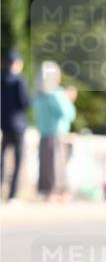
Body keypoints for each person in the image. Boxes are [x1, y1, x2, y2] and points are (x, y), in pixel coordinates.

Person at [33, 61, 77, 201]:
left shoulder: (38, 94)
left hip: (43, 132)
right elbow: (68, 114)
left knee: (45, 164)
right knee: (57, 164)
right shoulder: (56, 93)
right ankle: (57, 191)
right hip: (57, 133)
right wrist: (70, 99)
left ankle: (46, 191)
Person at [0, 49, 30, 201]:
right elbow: (24, 103)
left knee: (2, 158)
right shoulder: (19, 80)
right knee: (17, 160)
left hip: (3, 123)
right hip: (18, 125)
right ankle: (12, 195)